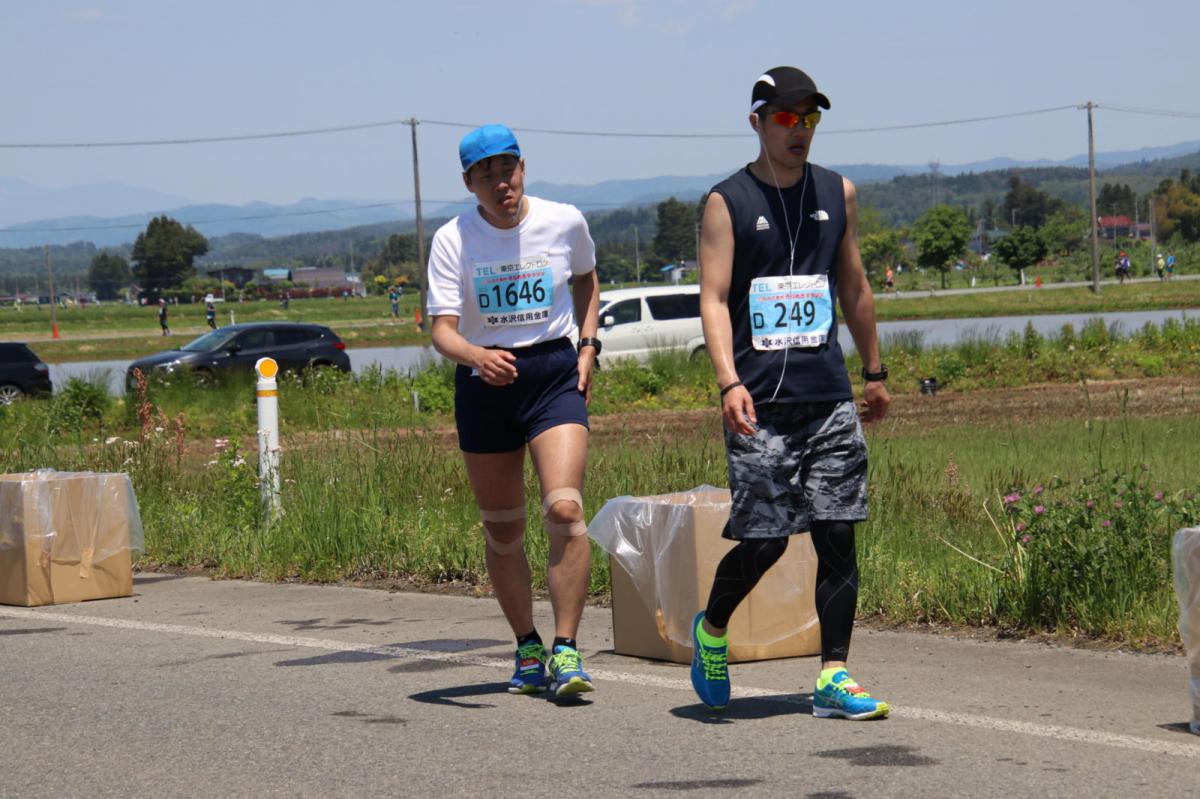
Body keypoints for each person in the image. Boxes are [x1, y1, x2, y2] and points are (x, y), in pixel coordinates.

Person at [690, 66, 891, 720]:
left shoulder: (839, 192)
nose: (798, 128)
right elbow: (714, 299)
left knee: (837, 532)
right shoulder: (728, 201)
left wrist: (875, 370)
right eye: (784, 117)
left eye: (809, 117)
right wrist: (727, 380)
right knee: (767, 540)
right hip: (759, 401)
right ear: (757, 121)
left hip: (828, 395)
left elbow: (854, 287)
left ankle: (834, 672)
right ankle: (713, 626)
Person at [427, 124, 602, 698]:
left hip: (552, 375)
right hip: (484, 384)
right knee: (504, 530)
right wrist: (478, 355)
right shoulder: (454, 239)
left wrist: (587, 344)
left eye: (509, 168)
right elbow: (442, 333)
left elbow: (586, 278)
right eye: (487, 174)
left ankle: (568, 650)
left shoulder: (564, 220)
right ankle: (527, 647)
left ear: (523, 167)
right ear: (469, 182)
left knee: (565, 509)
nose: (501, 182)